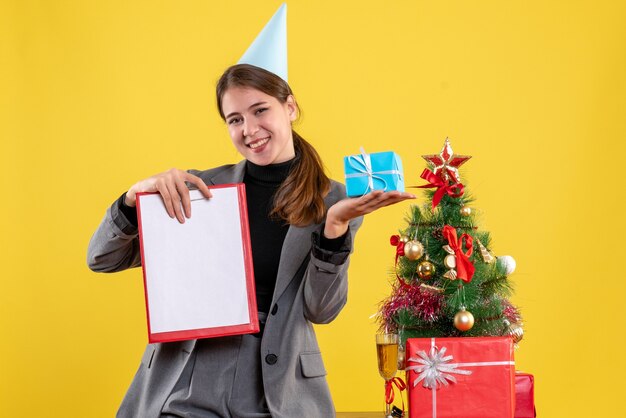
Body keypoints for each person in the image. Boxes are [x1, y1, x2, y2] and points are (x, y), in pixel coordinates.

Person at [87, 63, 415, 418]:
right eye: (235, 119)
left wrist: (334, 228)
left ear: (289, 107)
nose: (249, 130)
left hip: (277, 384)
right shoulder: (199, 190)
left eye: (260, 110)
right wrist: (132, 200)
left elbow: (321, 310)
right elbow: (102, 258)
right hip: (188, 376)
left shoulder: (334, 201)